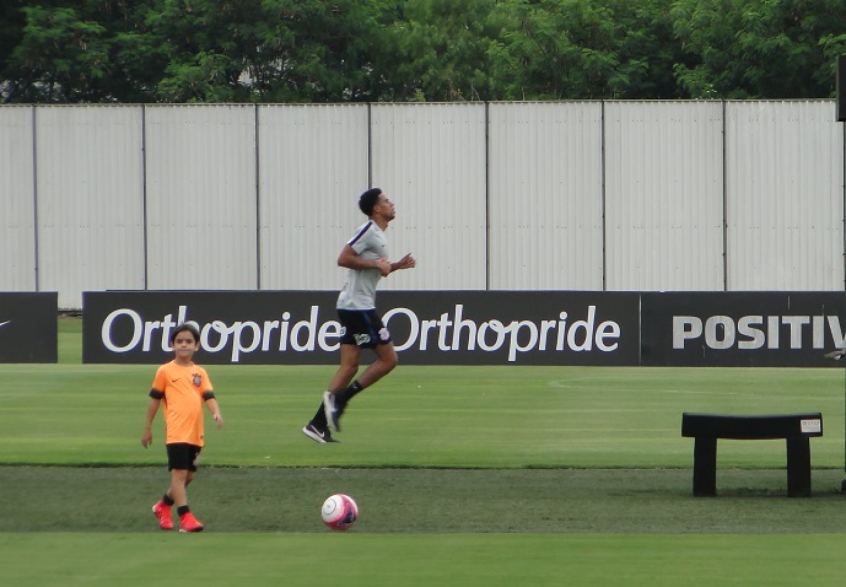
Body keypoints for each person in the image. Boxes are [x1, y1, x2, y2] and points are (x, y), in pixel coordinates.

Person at [302, 187, 416, 443]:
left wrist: (395, 266)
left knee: (349, 366)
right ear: (377, 209)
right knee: (389, 360)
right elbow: (343, 258)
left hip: (352, 305)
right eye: (387, 201)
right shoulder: (368, 231)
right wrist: (377, 264)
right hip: (358, 307)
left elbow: (373, 269)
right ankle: (339, 401)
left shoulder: (380, 236)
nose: (392, 203)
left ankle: (317, 424)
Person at [141, 323, 223, 532]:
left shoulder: (199, 372)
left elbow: (208, 396)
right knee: (178, 474)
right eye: (179, 341)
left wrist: (216, 412)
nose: (184, 345)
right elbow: (154, 401)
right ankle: (185, 517)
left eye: (188, 342)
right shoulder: (165, 371)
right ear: (172, 344)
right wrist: (147, 428)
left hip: (196, 431)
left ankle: (163, 506)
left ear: (196, 346)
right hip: (176, 430)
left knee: (188, 476)